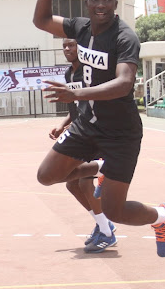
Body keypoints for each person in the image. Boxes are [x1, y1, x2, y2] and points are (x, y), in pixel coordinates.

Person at [33, 0, 165, 258]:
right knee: (46, 176)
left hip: (121, 134)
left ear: (115, 4)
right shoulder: (81, 28)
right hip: (88, 126)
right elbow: (42, 19)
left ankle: (164, 216)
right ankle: (100, 169)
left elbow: (124, 83)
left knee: (116, 210)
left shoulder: (125, 37)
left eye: (107, 0)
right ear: (88, 3)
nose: (101, 5)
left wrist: (76, 93)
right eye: (95, 0)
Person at [49, 38, 115, 253]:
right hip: (80, 134)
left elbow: (96, 103)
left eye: (72, 45)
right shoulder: (69, 74)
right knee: (72, 184)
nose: (68, 49)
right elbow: (77, 106)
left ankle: (107, 233)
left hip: (95, 135)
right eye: (65, 46)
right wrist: (63, 125)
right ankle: (103, 222)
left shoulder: (90, 73)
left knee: (85, 185)